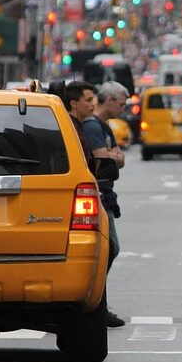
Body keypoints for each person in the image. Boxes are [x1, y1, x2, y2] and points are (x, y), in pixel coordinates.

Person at [83, 81, 129, 328]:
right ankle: (97, 300)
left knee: (109, 249)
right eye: (121, 104)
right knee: (108, 248)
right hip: (99, 195)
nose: (124, 108)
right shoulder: (93, 127)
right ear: (108, 100)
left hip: (106, 194)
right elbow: (105, 159)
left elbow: (118, 157)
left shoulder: (104, 127)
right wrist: (115, 157)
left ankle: (99, 301)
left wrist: (116, 157)